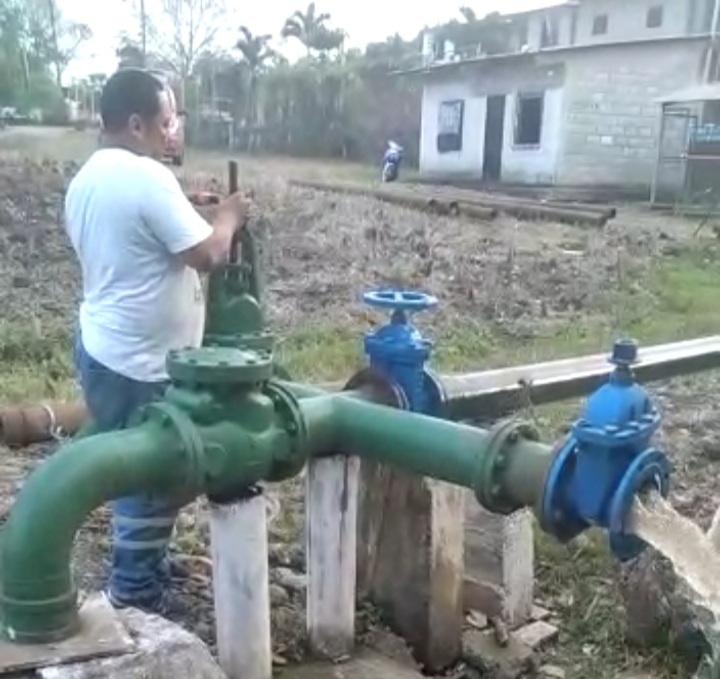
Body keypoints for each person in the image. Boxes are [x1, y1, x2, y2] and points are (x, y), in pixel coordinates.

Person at [64, 68, 250, 616]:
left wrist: (186, 205)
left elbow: (133, 235)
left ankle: (144, 562)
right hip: (139, 362)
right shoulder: (146, 180)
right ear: (138, 122)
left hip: (104, 346)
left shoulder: (90, 177)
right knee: (149, 472)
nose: (174, 132)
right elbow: (210, 255)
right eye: (167, 121)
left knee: (134, 465)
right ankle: (135, 592)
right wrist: (228, 217)